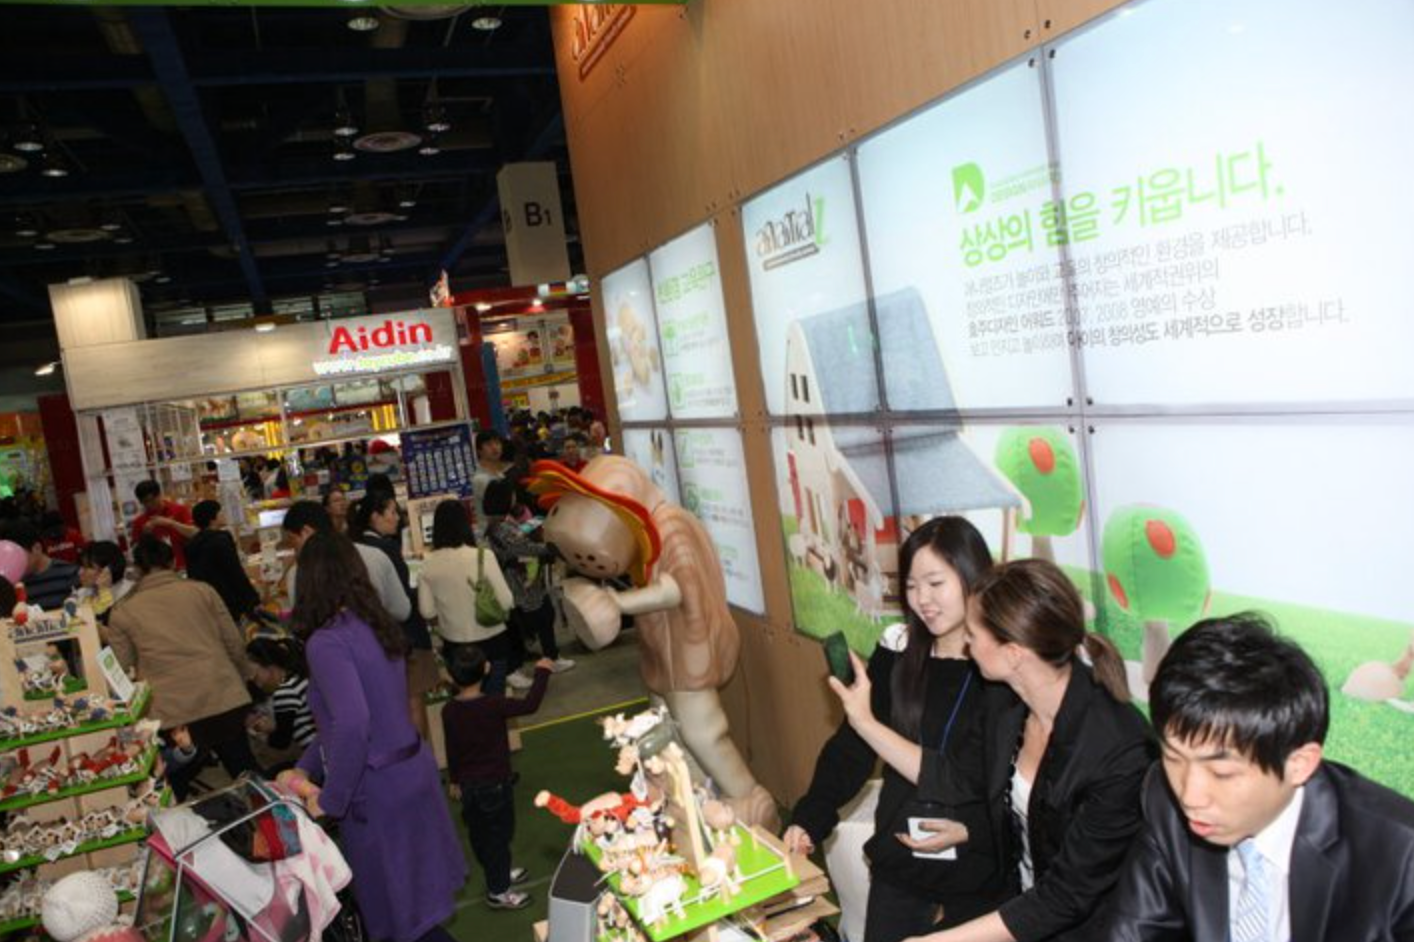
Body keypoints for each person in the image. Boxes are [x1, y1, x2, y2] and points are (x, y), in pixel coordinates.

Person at [877, 558, 1152, 942]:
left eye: (973, 634)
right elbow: (984, 789)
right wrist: (969, 830)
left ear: (1014, 653)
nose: (967, 644)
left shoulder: (1118, 753)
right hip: (1018, 901)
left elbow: (1065, 897)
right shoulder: (1004, 703)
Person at [1102, 613, 1414, 940]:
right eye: (1172, 757)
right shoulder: (1164, 799)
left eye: (1221, 773)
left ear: (1300, 763)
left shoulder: (1400, 855)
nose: (1190, 796)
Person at [787, 517, 1009, 941]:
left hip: (977, 878)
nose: (922, 599)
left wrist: (974, 828)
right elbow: (853, 747)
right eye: (911, 586)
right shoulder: (898, 651)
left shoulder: (999, 666)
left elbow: (993, 781)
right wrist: (810, 816)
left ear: (972, 577)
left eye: (935, 583)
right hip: (901, 867)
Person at [280, 532, 467, 942]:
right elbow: (359, 718)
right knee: (419, 914)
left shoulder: (326, 641)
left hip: (378, 794)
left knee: (401, 921)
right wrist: (304, 767)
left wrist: (331, 800)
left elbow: (352, 724)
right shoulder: (373, 624)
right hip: (410, 774)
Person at [107, 536, 270, 799]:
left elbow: (121, 668)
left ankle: (182, 837)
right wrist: (245, 679)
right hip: (221, 696)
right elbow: (233, 642)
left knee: (172, 786)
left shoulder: (123, 611)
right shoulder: (203, 591)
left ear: (136, 570)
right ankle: (286, 826)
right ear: (172, 562)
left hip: (171, 713)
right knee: (247, 773)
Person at [443, 645, 554, 911]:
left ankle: (499, 873)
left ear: (449, 674)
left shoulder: (449, 711)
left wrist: (455, 779)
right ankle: (498, 890)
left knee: (481, 836)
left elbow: (452, 747)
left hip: (470, 787)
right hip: (495, 785)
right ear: (487, 669)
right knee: (499, 837)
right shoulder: (493, 705)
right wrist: (542, 672)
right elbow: (531, 704)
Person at [353, 491, 436, 738]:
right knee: (414, 700)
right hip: (405, 636)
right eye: (392, 512)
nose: (398, 518)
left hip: (375, 639)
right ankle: (421, 761)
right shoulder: (385, 548)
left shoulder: (356, 547)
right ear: (374, 516)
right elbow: (401, 601)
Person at [416, 499, 519, 693]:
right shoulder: (483, 556)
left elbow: (427, 611)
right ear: (465, 524)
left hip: (455, 647)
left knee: (467, 704)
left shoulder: (428, 564)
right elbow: (507, 601)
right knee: (494, 702)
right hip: (492, 642)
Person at [484, 479, 574, 679]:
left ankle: (551, 657)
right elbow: (523, 547)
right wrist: (549, 547)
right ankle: (519, 668)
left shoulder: (498, 523)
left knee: (543, 616)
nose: (514, 497)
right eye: (511, 494)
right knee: (533, 622)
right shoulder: (501, 528)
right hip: (520, 584)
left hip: (525, 580)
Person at [280, 501, 410, 623]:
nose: (294, 550)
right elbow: (402, 611)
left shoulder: (298, 573)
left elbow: (302, 622)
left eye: (292, 540)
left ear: (306, 532)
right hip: (380, 642)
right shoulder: (374, 556)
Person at [185, 500, 260, 621]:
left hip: (207, 601)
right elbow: (234, 571)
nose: (224, 514)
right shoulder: (221, 538)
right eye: (220, 512)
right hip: (230, 600)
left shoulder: (191, 544)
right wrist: (252, 599)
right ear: (212, 518)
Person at [246, 635, 317, 755]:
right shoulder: (299, 677)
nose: (254, 681)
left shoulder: (284, 692)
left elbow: (281, 741)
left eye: (255, 675)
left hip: (319, 755)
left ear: (270, 667)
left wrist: (257, 731)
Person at [5, 520, 79, 610]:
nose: (13, 563)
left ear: (37, 548)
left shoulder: (70, 573)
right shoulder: (12, 584)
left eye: (17, 556)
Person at [129, 480, 197, 570]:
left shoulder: (180, 510)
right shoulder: (139, 521)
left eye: (152, 500)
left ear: (159, 494)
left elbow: (195, 533)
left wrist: (172, 523)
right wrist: (145, 535)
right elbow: (136, 551)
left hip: (185, 566)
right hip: (159, 572)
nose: (149, 505)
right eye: (145, 502)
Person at [75, 540, 134, 623]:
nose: (80, 572)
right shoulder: (82, 593)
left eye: (86, 567)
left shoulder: (129, 594)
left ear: (108, 570)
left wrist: (104, 590)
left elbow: (110, 625)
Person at [472, 430, 508, 539]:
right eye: (488, 444)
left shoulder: (500, 474)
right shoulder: (480, 479)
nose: (495, 448)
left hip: (503, 532)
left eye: (497, 443)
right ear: (479, 450)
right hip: (489, 537)